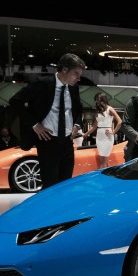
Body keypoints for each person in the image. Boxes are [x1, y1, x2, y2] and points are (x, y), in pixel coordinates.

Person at [8, 53, 85, 190]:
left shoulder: (73, 88)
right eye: (76, 74)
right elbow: (15, 101)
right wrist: (34, 124)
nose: (79, 78)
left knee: (66, 186)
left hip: (67, 142)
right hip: (48, 142)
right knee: (50, 187)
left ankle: (62, 211)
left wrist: (77, 125)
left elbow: (78, 109)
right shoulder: (42, 84)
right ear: (65, 70)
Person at [82, 93, 122, 168]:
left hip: (107, 136)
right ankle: (108, 176)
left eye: (98, 100)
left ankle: (100, 178)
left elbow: (120, 122)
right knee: (103, 160)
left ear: (103, 99)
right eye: (96, 100)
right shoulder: (99, 111)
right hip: (99, 136)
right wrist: (85, 134)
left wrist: (113, 132)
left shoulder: (110, 109)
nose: (96, 102)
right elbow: (94, 126)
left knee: (103, 161)